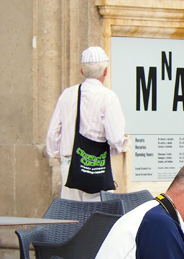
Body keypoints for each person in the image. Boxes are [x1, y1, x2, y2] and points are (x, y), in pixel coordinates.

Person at [45, 46, 129, 201]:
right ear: (105, 71)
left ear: (82, 71)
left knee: (72, 217)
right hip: (96, 166)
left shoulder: (67, 94)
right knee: (98, 219)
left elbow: (52, 132)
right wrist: (122, 146)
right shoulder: (108, 97)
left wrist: (57, 154)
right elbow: (115, 139)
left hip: (69, 166)